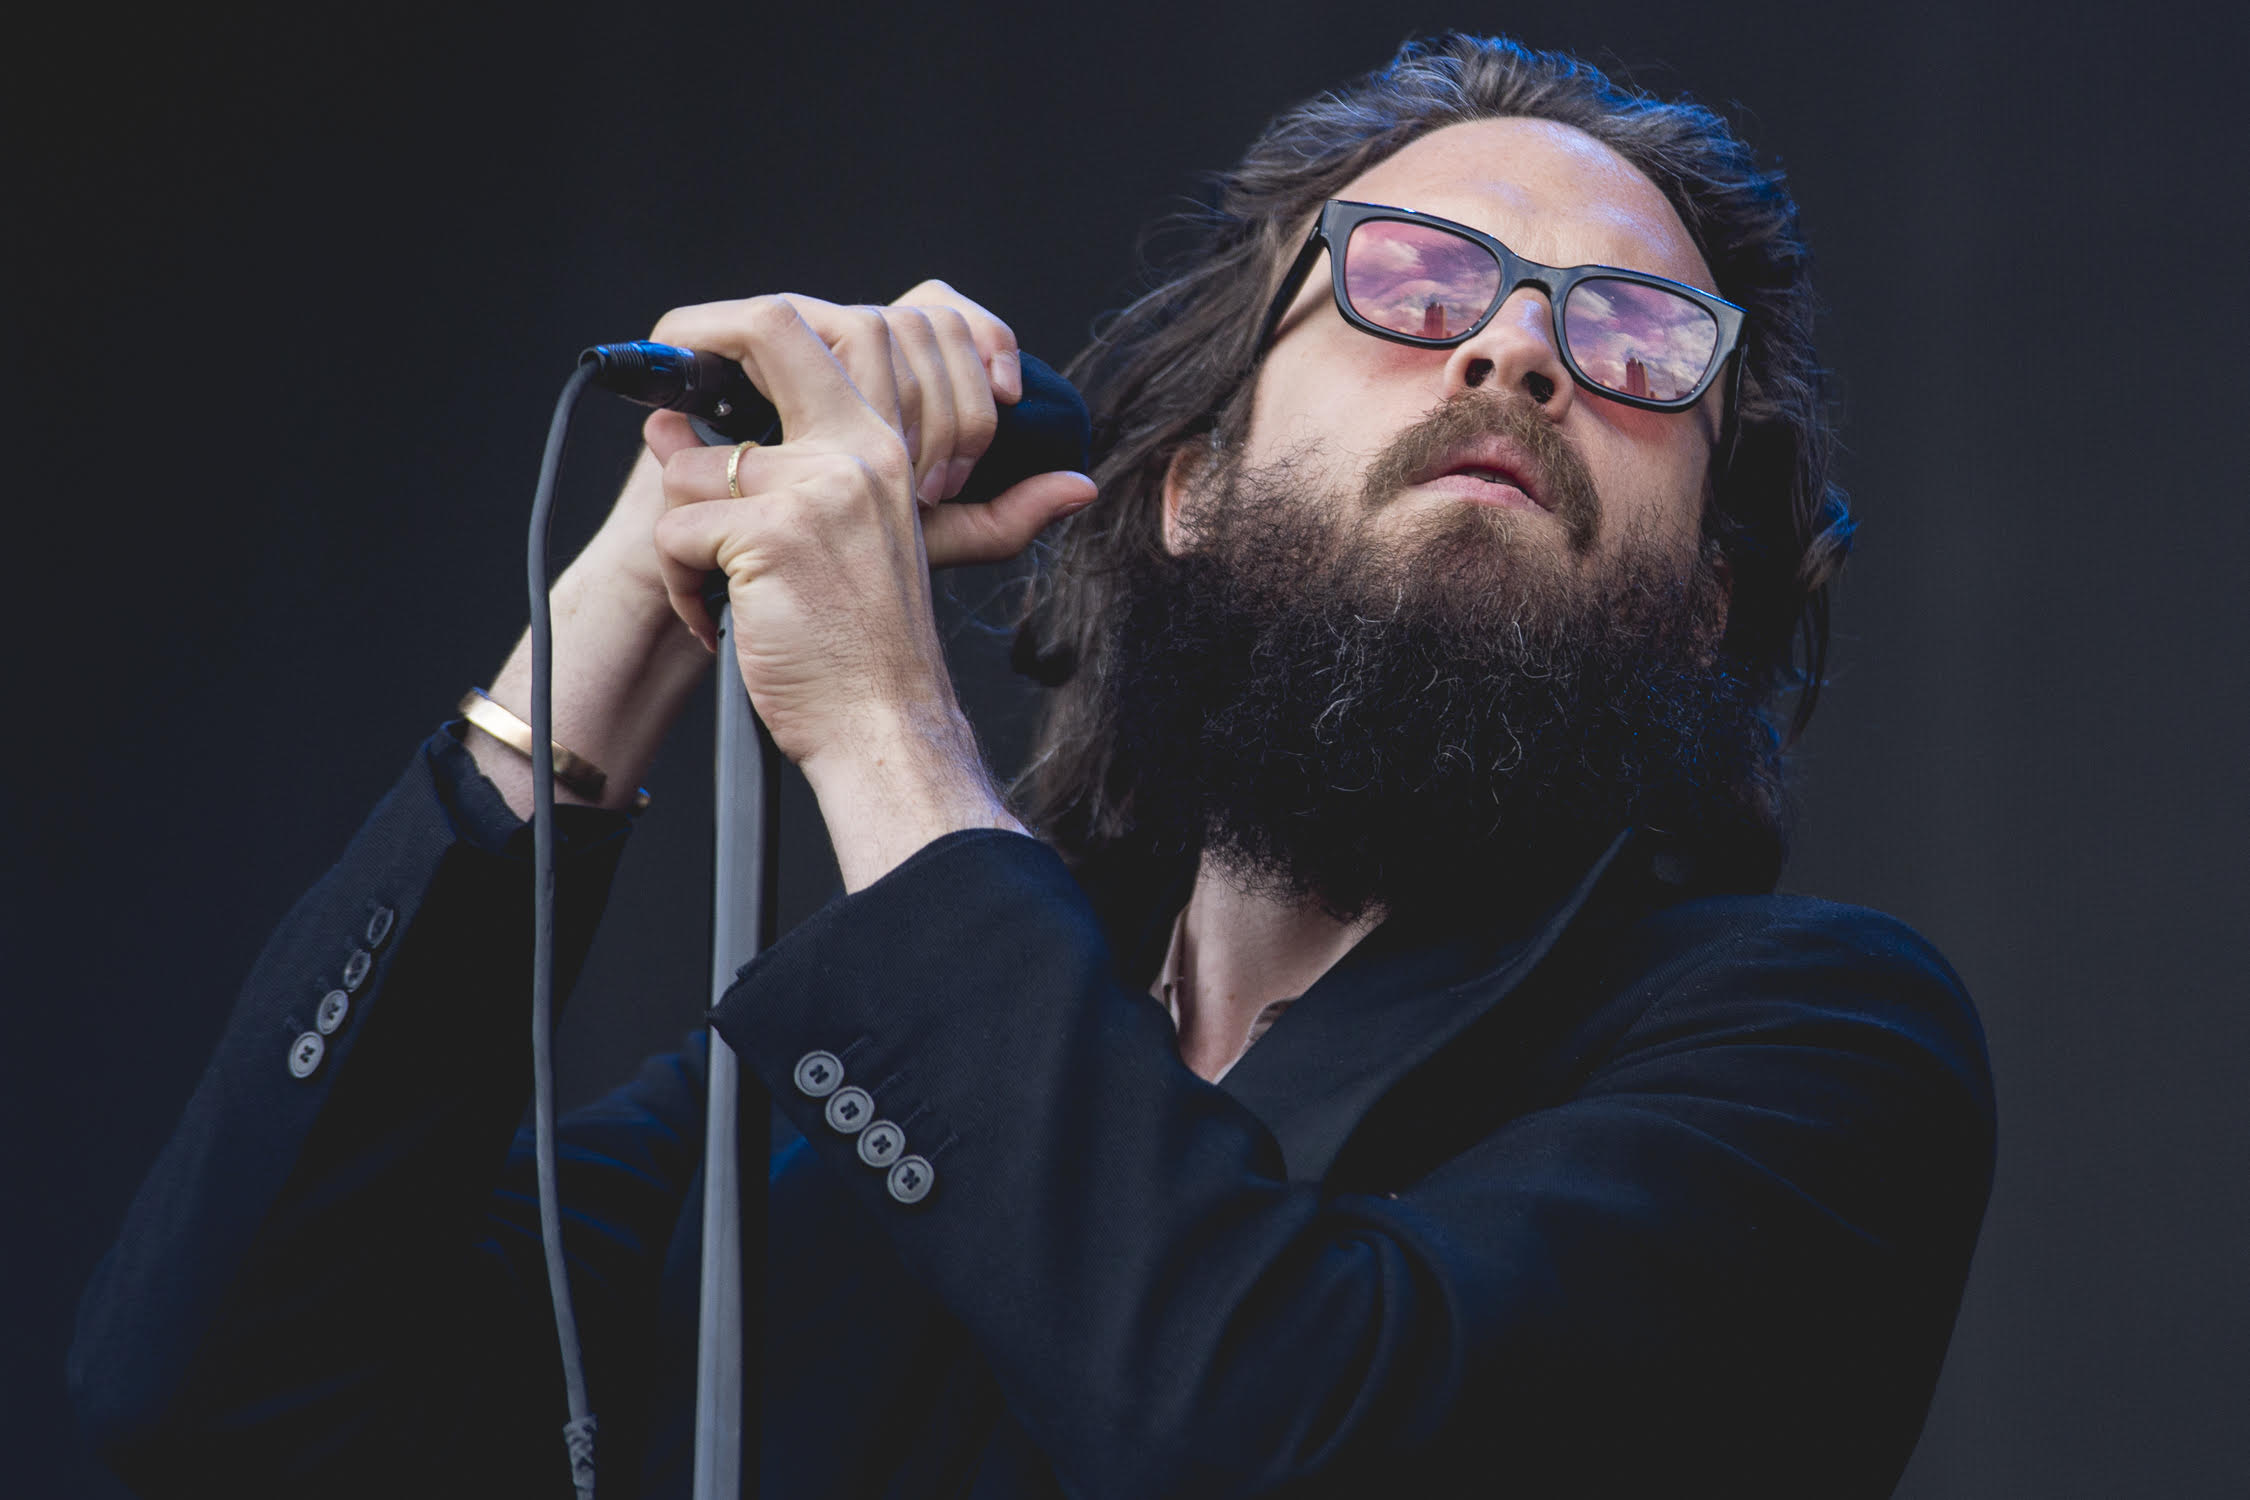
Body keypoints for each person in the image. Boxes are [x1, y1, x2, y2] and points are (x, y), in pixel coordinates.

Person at [70, 33, 1995, 1499]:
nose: (1512, 353)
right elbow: (210, 1399)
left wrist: (884, 730)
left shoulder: (1804, 1050)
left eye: (1639, 338)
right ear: (1187, 492)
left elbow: (1277, 1425)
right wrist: (624, 602)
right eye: (1412, 284)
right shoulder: (797, 1121)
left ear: (1703, 605)